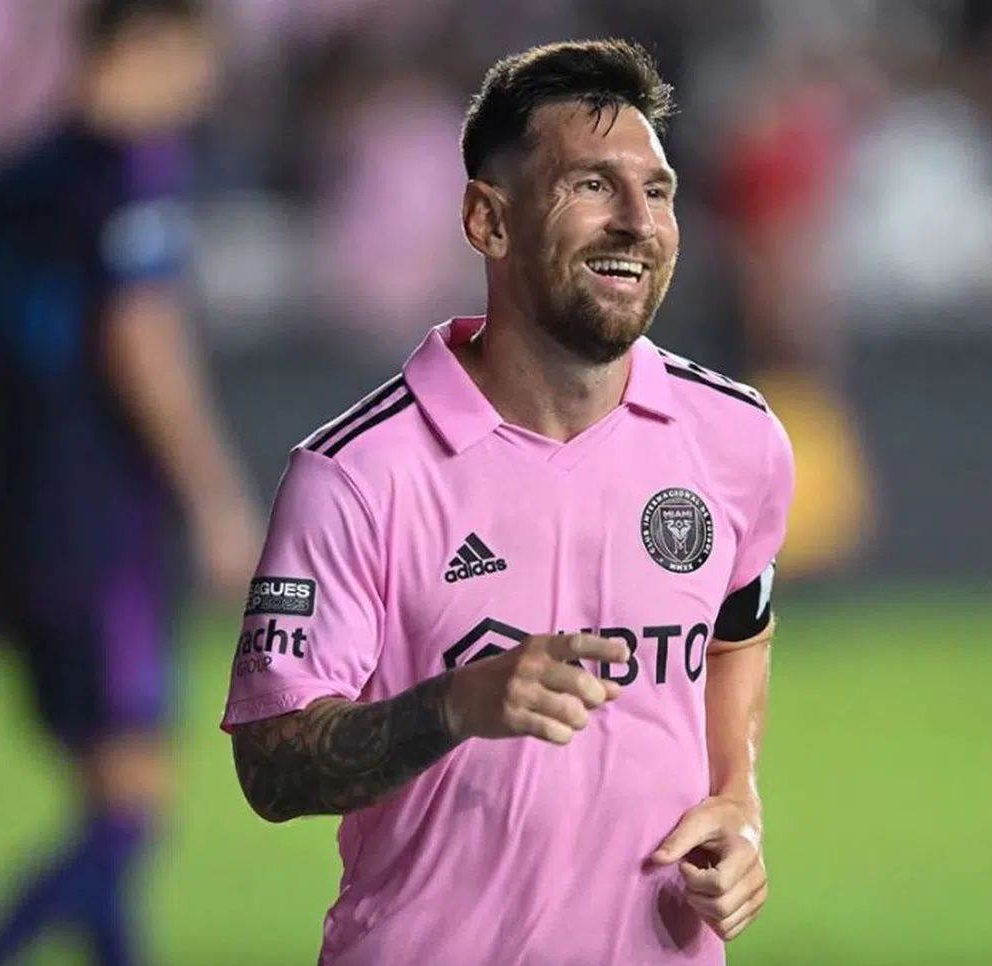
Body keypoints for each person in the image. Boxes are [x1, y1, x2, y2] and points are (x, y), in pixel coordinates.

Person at [223, 39, 795, 966]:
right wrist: (456, 704)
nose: (636, 222)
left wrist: (739, 800)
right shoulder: (356, 473)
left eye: (657, 192)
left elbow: (737, 636)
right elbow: (271, 766)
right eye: (591, 186)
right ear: (488, 220)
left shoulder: (738, 439)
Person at [0, 2, 262, 964]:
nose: (203, 87)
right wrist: (215, 499)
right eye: (197, 61)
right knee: (133, 805)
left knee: (107, 792)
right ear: (146, 45)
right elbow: (142, 343)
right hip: (103, 522)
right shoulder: (133, 175)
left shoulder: (15, 177)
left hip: (23, 522)